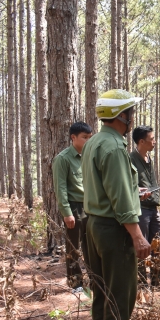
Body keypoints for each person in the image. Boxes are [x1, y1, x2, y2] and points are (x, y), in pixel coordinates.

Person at [82, 89, 151, 320]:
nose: (132, 117)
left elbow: (106, 187)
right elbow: (120, 198)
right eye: (130, 112)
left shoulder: (94, 142)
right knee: (120, 294)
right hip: (114, 230)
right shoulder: (113, 147)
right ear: (121, 115)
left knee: (101, 289)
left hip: (94, 226)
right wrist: (136, 235)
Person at [52, 121, 93, 293]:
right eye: (84, 138)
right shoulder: (63, 159)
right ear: (73, 137)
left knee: (92, 246)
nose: (87, 141)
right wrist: (67, 212)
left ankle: (95, 279)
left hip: (91, 207)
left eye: (89, 138)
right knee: (73, 247)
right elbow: (60, 188)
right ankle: (75, 283)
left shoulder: (89, 156)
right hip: (74, 208)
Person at [129, 125, 160, 290]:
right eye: (151, 139)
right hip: (140, 209)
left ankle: (159, 283)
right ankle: (141, 284)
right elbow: (127, 183)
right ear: (141, 141)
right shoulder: (130, 159)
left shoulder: (148, 159)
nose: (154, 142)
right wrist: (137, 191)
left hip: (153, 208)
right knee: (141, 247)